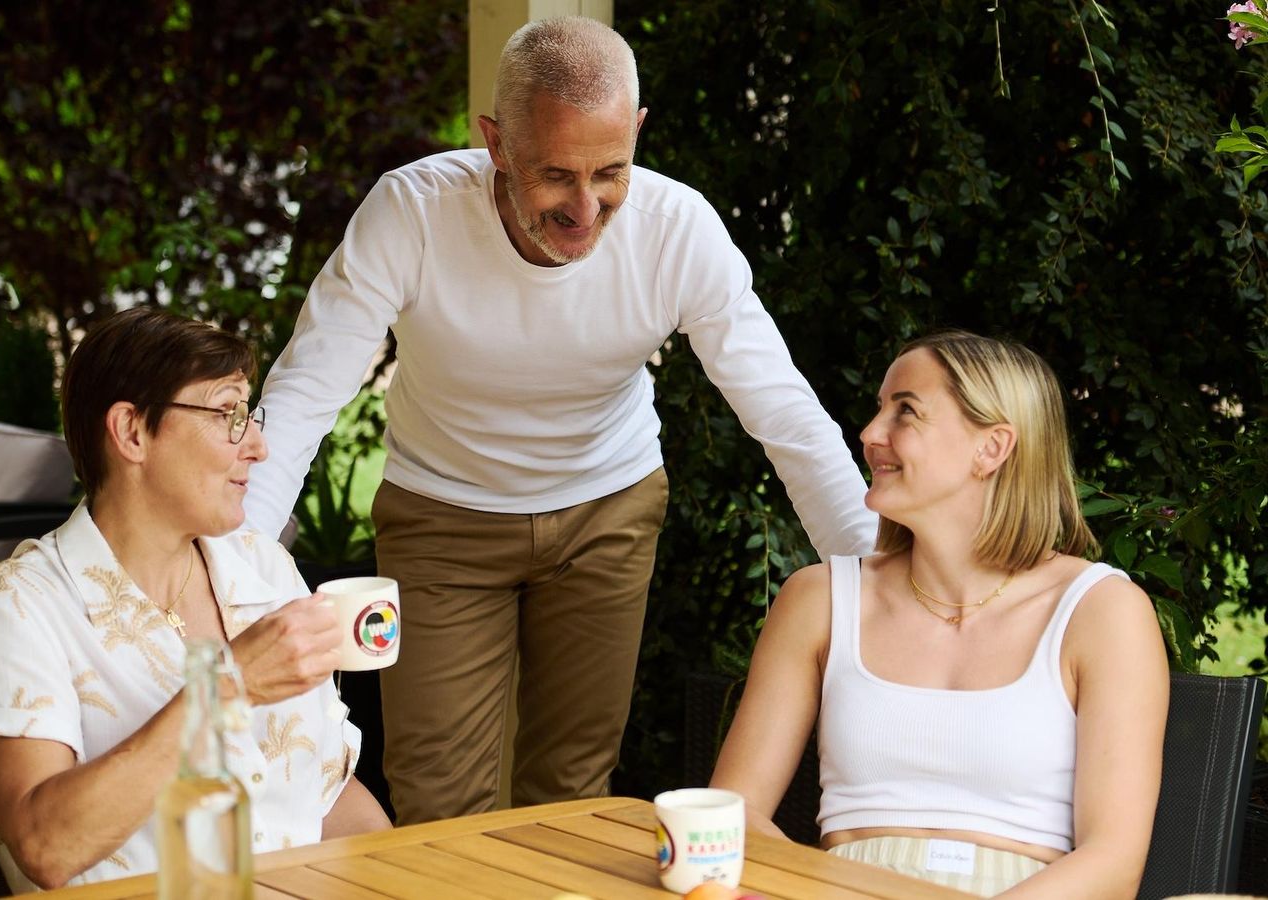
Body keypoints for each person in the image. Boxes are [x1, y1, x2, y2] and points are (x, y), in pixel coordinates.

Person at [244, 15, 877, 825]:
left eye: (611, 170)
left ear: (639, 131)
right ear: (496, 143)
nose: (586, 208)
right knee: (441, 801)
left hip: (606, 512)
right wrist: (234, 578)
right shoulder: (411, 215)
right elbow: (301, 401)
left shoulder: (677, 231)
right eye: (555, 176)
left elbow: (784, 413)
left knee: (570, 796)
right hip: (443, 517)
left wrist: (874, 583)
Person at [710, 331, 1170, 898]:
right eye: (880, 408)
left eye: (906, 411)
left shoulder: (1101, 611)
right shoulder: (820, 600)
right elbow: (730, 815)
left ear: (992, 448)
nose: (871, 433)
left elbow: (1114, 863)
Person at [0, 308, 390, 892]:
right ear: (132, 432)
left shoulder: (260, 568)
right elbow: (46, 847)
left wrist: (400, 879)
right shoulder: (23, 604)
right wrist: (229, 686)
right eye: (228, 413)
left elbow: (328, 795)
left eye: (250, 413)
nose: (257, 445)